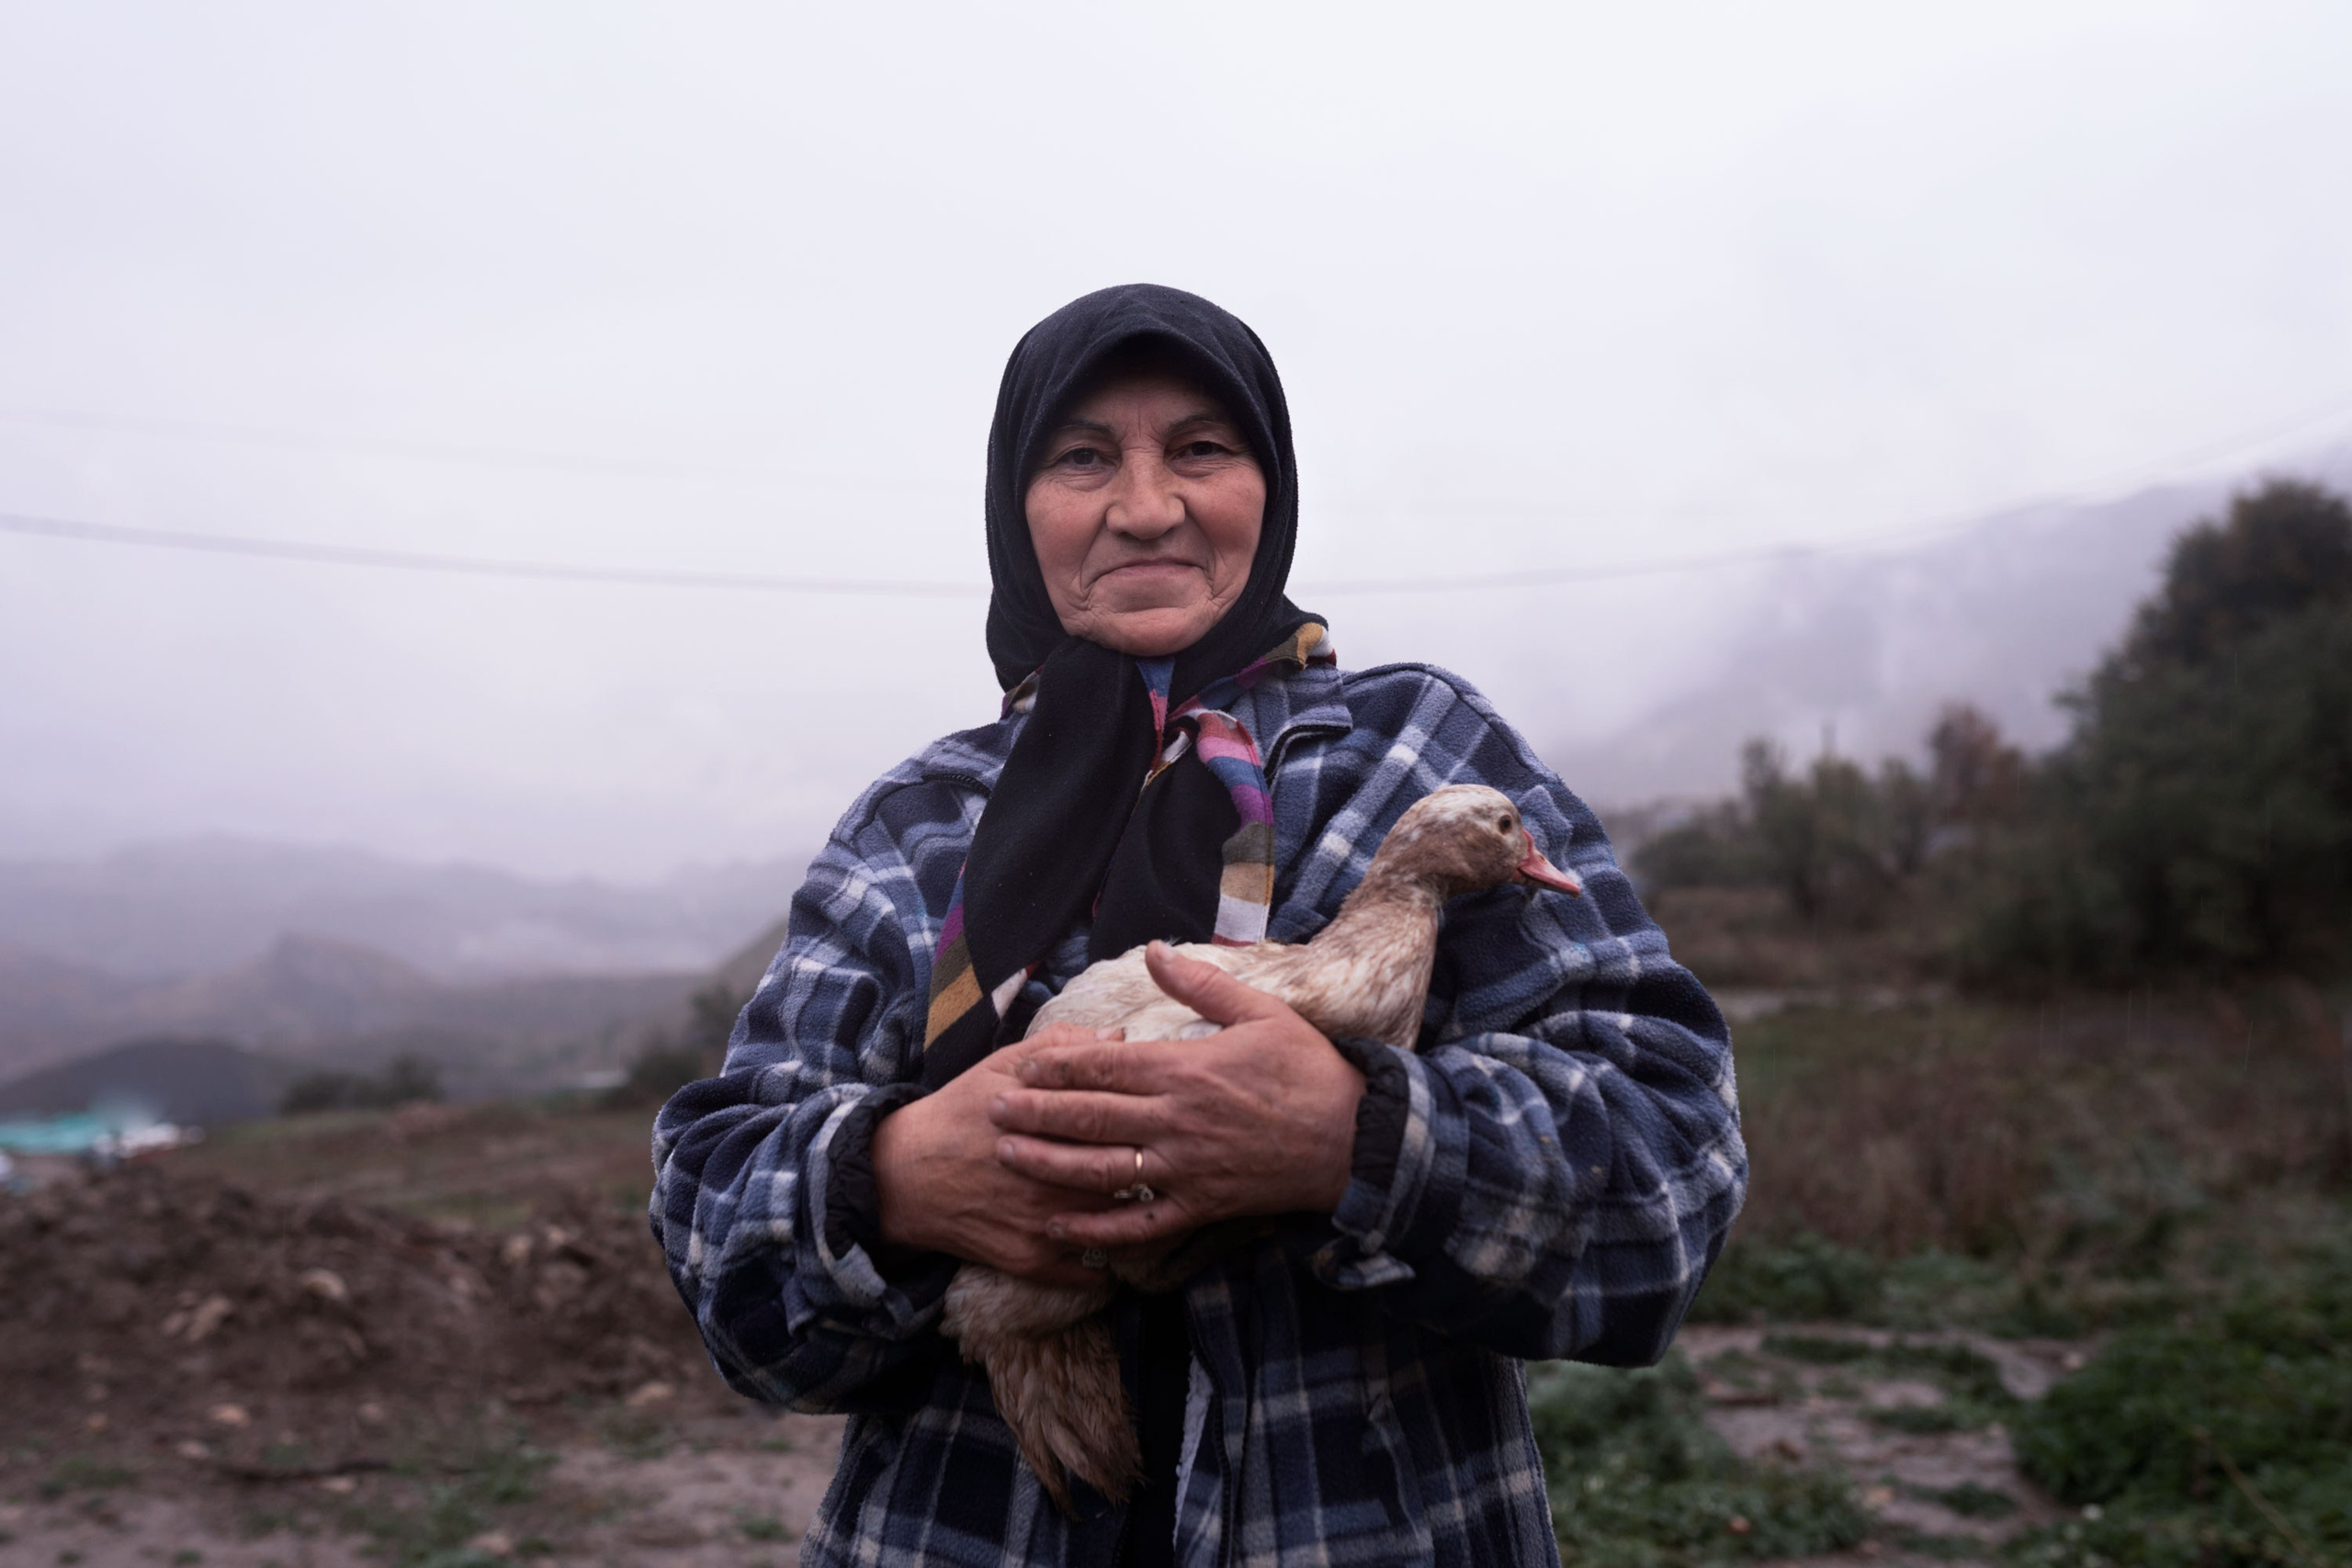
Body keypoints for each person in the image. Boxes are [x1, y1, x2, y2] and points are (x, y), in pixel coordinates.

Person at [650, 284, 1746, 1567]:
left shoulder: (1415, 759)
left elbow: (1672, 1170)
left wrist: (1358, 1143)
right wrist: (894, 1177)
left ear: (1268, 488)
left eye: (1202, 450)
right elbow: (714, 1231)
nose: (1146, 505)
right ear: (1019, 508)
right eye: (1082, 457)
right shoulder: (919, 823)